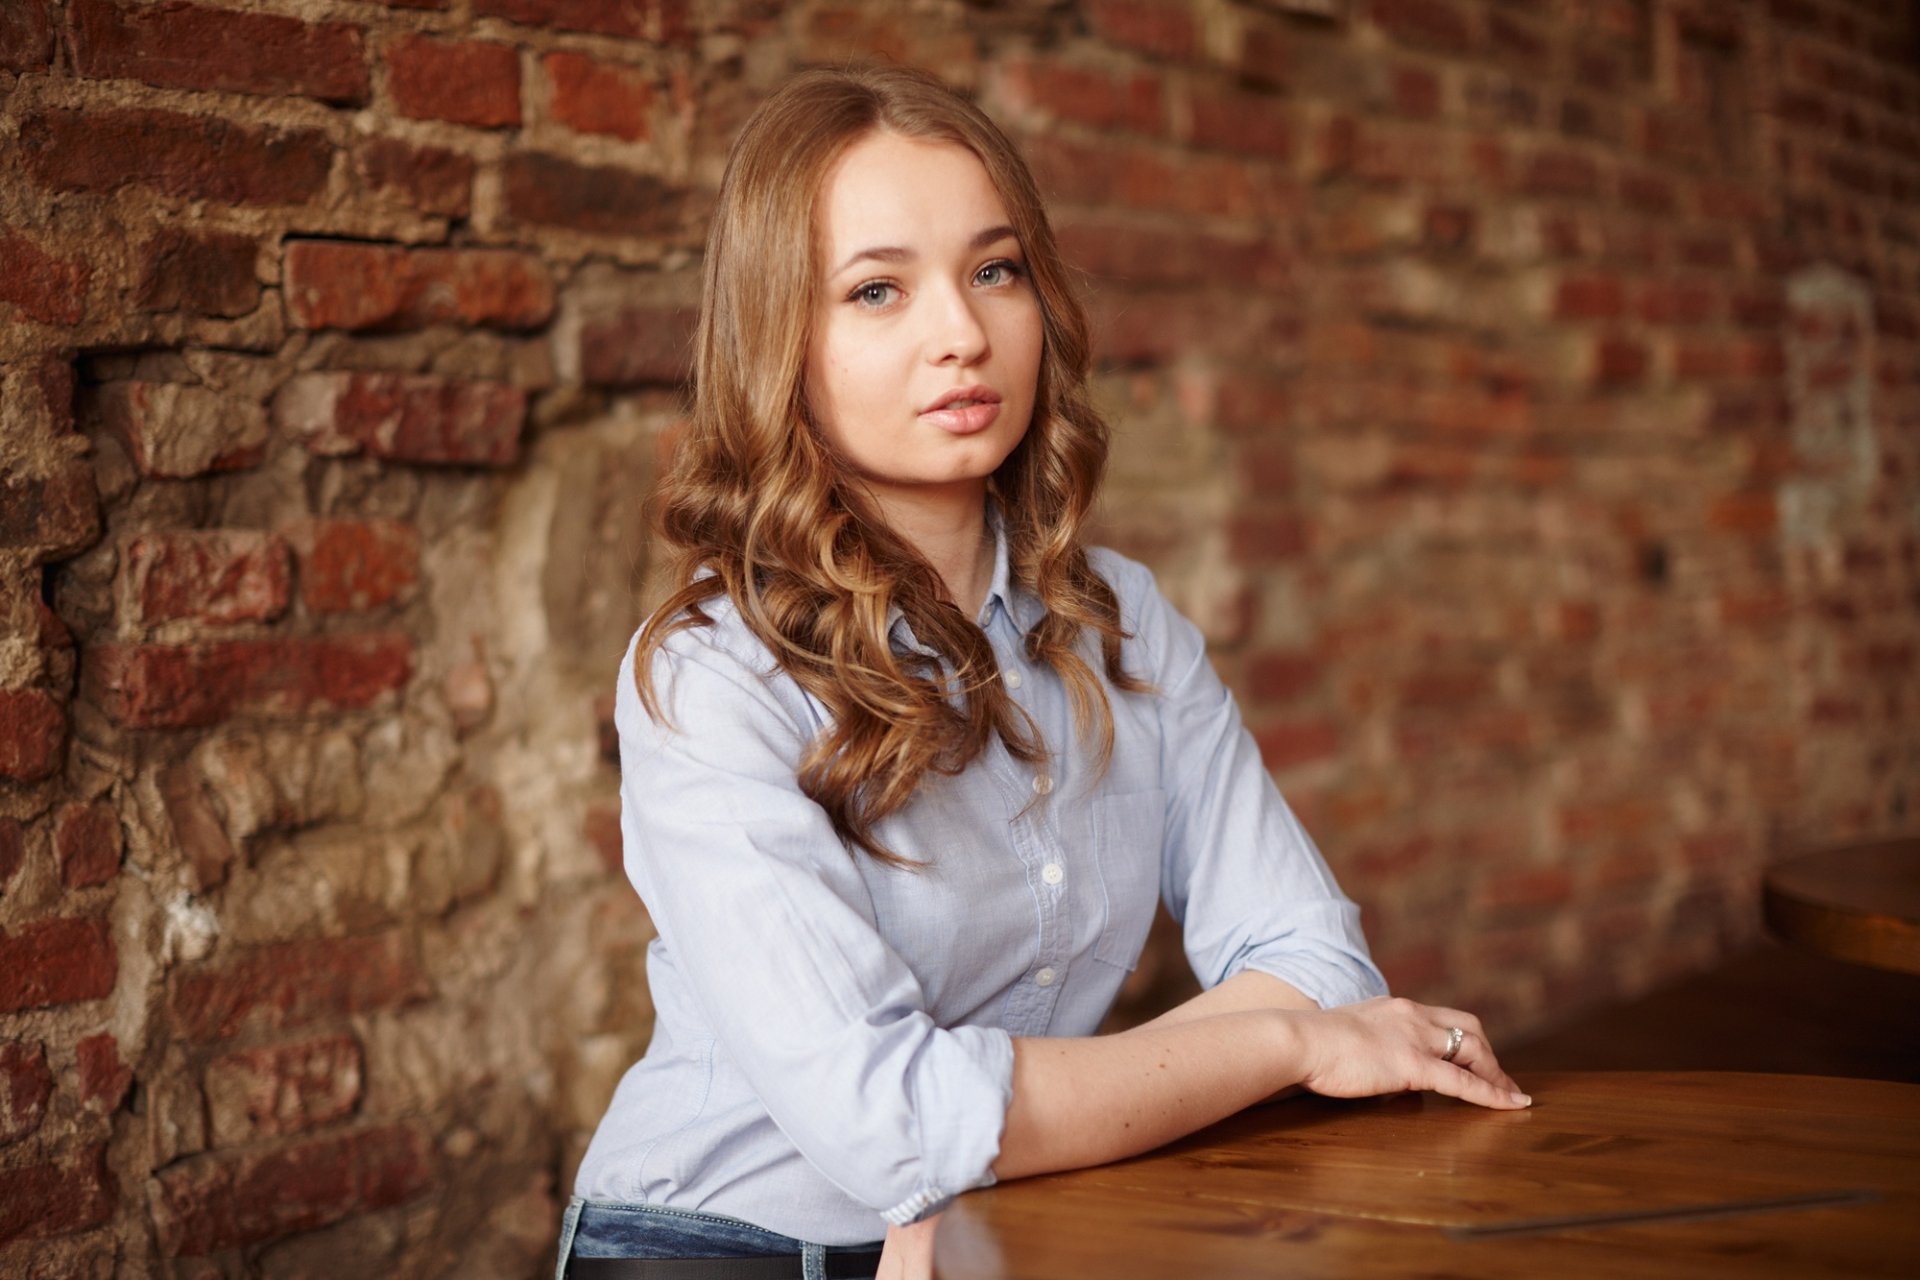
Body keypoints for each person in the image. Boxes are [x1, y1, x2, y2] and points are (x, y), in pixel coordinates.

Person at [560, 64, 1528, 1280]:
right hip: (718, 1245)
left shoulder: (1125, 624)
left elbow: (1321, 957)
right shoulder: (710, 679)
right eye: (876, 290)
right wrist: (1288, 1041)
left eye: (993, 269)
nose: (960, 333)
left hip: (1016, 1225)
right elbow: (895, 1121)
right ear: (778, 344)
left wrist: (996, 1149)